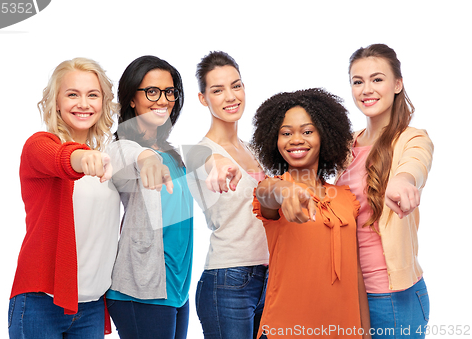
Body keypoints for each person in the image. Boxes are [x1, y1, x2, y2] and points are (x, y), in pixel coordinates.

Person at [8, 57, 121, 338]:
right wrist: (83, 157)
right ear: (56, 102)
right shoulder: (40, 146)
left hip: (92, 306)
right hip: (40, 302)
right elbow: (62, 159)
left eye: (92, 95)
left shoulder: (110, 158)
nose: (83, 103)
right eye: (73, 94)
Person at [252, 89, 371, 339]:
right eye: (286, 133)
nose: (296, 139)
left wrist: (365, 332)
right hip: (287, 329)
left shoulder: (346, 197)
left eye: (307, 131)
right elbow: (266, 193)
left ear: (325, 136)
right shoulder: (272, 188)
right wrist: (285, 190)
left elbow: (355, 273)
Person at [336, 43, 433, 338]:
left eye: (377, 79)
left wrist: (403, 181)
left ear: (397, 84)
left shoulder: (412, 139)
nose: (367, 89)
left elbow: (415, 165)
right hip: (351, 294)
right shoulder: (346, 146)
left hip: (392, 296)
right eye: (358, 81)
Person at [105, 55, 193, 339]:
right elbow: (121, 156)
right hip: (141, 288)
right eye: (152, 92)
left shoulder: (171, 152)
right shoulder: (122, 147)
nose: (163, 100)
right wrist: (146, 158)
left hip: (176, 287)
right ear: (132, 99)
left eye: (169, 92)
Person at [185, 51, 269, 339]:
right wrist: (220, 167)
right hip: (228, 280)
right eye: (217, 90)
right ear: (203, 98)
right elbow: (212, 162)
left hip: (270, 278)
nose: (231, 96)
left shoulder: (254, 150)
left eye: (236, 85)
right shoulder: (199, 151)